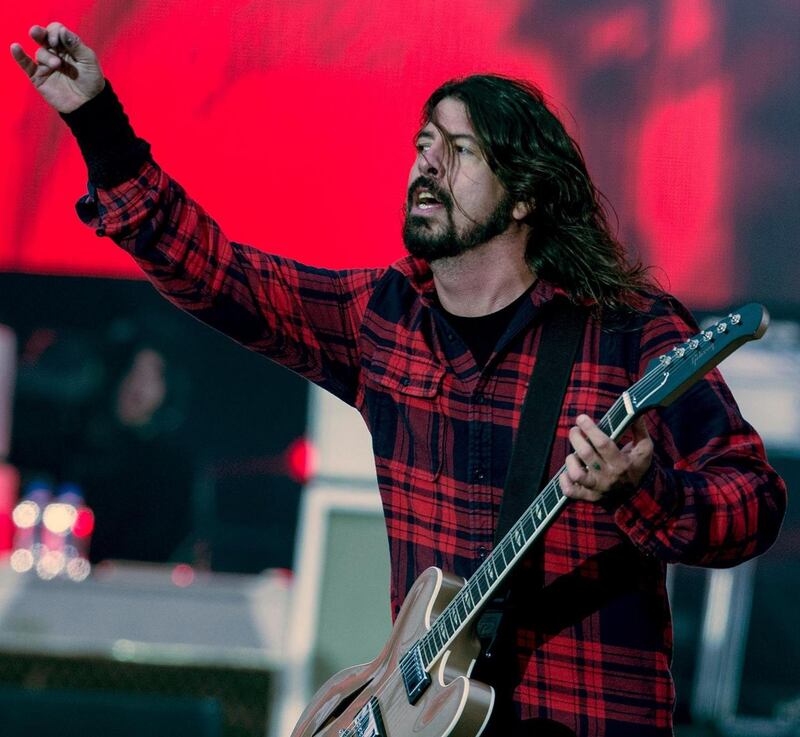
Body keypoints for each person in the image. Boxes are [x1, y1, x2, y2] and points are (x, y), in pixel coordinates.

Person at [10, 23, 786, 737]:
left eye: (461, 150)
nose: (427, 164)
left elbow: (754, 503)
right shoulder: (383, 318)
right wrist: (99, 125)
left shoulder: (623, 329)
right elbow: (217, 274)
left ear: (524, 195)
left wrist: (639, 491)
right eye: (423, 144)